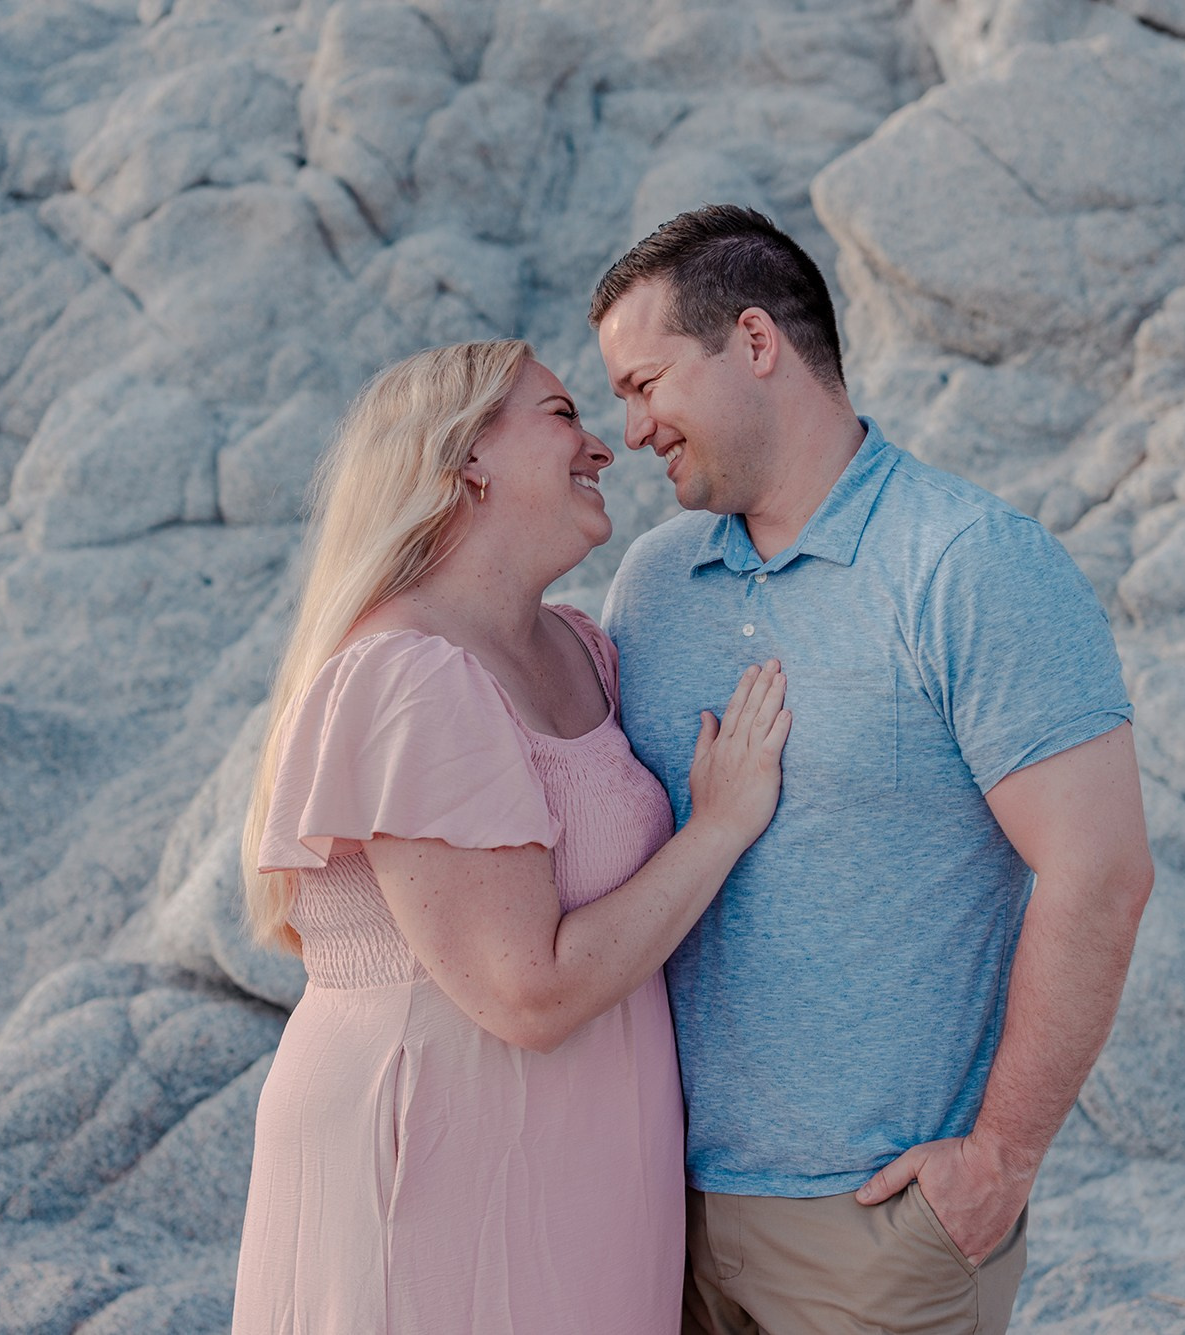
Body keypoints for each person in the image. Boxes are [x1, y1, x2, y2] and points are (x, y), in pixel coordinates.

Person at [592, 205, 1156, 1335]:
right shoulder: (649, 586)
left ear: (756, 343)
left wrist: (1000, 1159)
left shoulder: (966, 563)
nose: (632, 426)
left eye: (645, 382)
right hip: (657, 1212)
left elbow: (1099, 869)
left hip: (871, 1230)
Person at [231, 339, 791, 1335]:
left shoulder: (580, 650)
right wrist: (718, 829)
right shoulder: (410, 677)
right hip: (440, 1165)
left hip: (592, 1164)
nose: (604, 446)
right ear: (466, 462)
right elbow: (524, 993)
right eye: (562, 414)